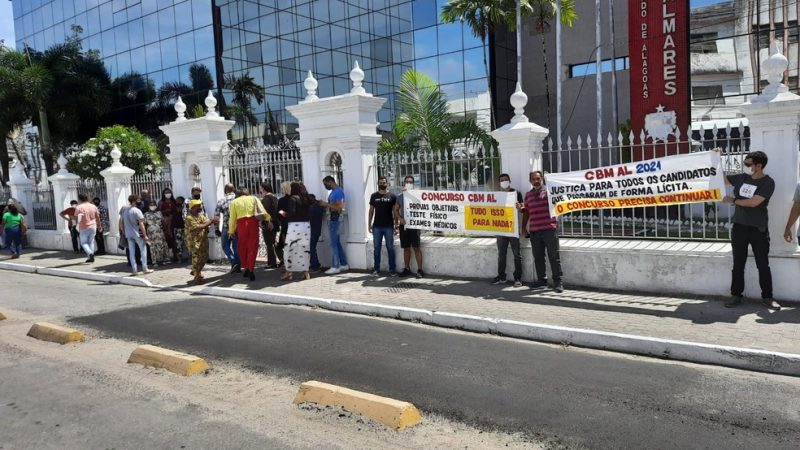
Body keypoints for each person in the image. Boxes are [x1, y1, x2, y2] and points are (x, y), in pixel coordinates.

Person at [722, 151, 780, 310]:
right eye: (744, 163)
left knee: (763, 264)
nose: (745, 167)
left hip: (758, 229)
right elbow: (719, 179)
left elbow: (754, 202)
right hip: (739, 227)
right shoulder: (741, 177)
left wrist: (733, 200)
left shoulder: (767, 182)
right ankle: (736, 295)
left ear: (759, 166)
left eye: (748, 164)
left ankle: (768, 297)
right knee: (738, 263)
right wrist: (714, 159)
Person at [522, 171, 563, 293]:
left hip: (549, 230)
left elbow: (559, 202)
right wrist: (523, 227)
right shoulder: (528, 195)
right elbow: (527, 211)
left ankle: (558, 282)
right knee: (538, 257)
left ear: (542, 179)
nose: (536, 181)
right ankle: (542, 281)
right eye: (534, 179)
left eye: (538, 178)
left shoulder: (550, 192)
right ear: (530, 181)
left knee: (554, 257)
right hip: (535, 231)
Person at [229, 187, 269, 281]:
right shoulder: (254, 198)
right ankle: (250, 269)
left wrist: (231, 231)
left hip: (241, 226)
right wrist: (268, 219)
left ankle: (247, 267)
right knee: (253, 247)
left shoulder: (234, 202)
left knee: (242, 247)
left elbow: (232, 219)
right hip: (253, 224)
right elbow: (262, 211)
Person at [492, 173, 525, 287]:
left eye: (506, 179)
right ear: (499, 183)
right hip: (500, 229)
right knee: (501, 254)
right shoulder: (496, 195)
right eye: (502, 180)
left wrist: (520, 207)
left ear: (509, 181)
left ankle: (518, 278)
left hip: (513, 228)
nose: (504, 181)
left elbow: (522, 209)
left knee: (517, 254)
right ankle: (501, 276)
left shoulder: (516, 193)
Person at [280, 182, 312, 281]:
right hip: (306, 226)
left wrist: (284, 213)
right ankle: (306, 272)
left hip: (295, 226)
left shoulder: (292, 199)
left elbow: (292, 213)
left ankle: (288, 272)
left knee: (289, 249)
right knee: (304, 249)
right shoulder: (306, 198)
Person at [393, 175, 423, 278]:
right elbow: (395, 210)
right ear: (404, 183)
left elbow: (423, 208)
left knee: (416, 247)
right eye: (407, 181)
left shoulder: (417, 195)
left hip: (415, 225)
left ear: (413, 184)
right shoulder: (400, 196)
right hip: (404, 226)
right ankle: (406, 269)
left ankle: (420, 270)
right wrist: (400, 219)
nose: (408, 183)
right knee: (406, 248)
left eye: (410, 182)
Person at [368, 176, 397, 276]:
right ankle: (376, 269)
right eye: (380, 182)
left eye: (384, 182)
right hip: (377, 227)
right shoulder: (373, 196)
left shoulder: (392, 196)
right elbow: (371, 211)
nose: (382, 184)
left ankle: (392, 269)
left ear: (387, 183)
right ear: (378, 183)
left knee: (390, 248)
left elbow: (395, 212)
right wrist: (369, 224)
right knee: (377, 248)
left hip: (389, 226)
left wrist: (396, 225)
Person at [319, 176, 349, 274]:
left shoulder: (338, 192)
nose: (325, 186)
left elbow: (339, 208)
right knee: (336, 243)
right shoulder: (334, 192)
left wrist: (326, 204)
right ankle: (343, 264)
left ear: (330, 182)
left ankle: (335, 266)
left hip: (336, 220)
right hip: (333, 219)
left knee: (333, 243)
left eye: (325, 184)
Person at [185, 199, 218, 284]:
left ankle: (195, 271)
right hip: (194, 242)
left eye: (199, 206)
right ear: (192, 208)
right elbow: (198, 227)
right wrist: (210, 222)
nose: (199, 208)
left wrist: (212, 221)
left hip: (203, 240)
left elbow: (206, 221)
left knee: (205, 256)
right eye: (197, 206)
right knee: (197, 258)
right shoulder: (189, 218)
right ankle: (197, 276)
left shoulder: (200, 215)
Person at [120, 194, 152, 276]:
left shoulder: (125, 211)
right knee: (143, 250)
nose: (139, 201)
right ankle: (145, 268)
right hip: (137, 234)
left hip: (128, 234)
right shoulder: (137, 211)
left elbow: (121, 223)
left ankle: (134, 270)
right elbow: (141, 224)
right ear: (134, 201)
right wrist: (145, 235)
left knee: (131, 252)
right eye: (138, 199)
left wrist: (124, 232)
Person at [215, 183, 240, 273]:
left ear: (225, 190)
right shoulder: (238, 199)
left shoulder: (222, 200)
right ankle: (238, 265)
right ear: (234, 189)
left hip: (227, 226)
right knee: (236, 246)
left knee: (225, 245)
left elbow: (216, 217)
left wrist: (216, 229)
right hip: (238, 226)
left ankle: (233, 261)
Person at [74, 193, 102, 264]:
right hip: (93, 226)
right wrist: (99, 226)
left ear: (80, 199)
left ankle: (90, 254)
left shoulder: (79, 207)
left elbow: (76, 218)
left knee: (83, 243)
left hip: (83, 227)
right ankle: (90, 258)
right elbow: (97, 217)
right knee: (91, 242)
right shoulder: (93, 206)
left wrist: (76, 225)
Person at [144, 201, 171, 266]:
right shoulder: (146, 214)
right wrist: (145, 234)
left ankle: (164, 260)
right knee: (153, 247)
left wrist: (166, 230)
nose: (152, 206)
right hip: (151, 233)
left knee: (162, 246)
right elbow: (144, 224)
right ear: (148, 206)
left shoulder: (159, 213)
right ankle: (155, 262)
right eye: (151, 205)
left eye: (154, 205)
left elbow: (163, 222)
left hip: (160, 232)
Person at [260, 182, 280, 268]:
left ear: (264, 189)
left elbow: (265, 212)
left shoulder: (266, 199)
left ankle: (272, 263)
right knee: (273, 242)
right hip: (275, 223)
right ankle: (281, 259)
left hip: (269, 224)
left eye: (260, 188)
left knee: (269, 243)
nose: (260, 190)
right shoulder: (275, 198)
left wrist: (268, 222)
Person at [158, 188, 178, 261]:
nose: (168, 194)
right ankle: (166, 256)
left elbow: (177, 210)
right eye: (166, 192)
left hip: (173, 221)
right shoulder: (161, 202)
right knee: (166, 238)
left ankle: (175, 255)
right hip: (165, 222)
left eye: (169, 192)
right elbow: (159, 212)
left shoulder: (174, 201)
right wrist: (165, 212)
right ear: (163, 194)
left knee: (174, 238)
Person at [276, 181, 292, 266]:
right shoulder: (296, 198)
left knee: (284, 245)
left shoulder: (282, 200)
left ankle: (286, 262)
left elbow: (278, 213)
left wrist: (283, 214)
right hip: (296, 225)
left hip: (285, 225)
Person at [308, 194, 324, 272]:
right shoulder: (319, 207)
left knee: (312, 248)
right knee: (313, 247)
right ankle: (315, 264)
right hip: (318, 229)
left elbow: (309, 219)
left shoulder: (311, 208)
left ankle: (315, 265)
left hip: (312, 230)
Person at [173, 196, 187, 263]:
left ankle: (190, 257)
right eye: (177, 200)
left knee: (187, 243)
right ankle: (179, 258)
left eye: (179, 200)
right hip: (177, 229)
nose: (177, 202)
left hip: (185, 228)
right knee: (178, 244)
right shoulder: (173, 209)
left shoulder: (185, 209)